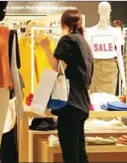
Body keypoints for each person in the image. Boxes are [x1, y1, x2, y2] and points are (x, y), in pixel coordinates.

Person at [40, 10, 93, 163]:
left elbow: (58, 69)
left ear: (63, 24)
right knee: (79, 152)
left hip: (69, 103)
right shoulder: (84, 43)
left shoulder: (67, 40)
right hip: (82, 103)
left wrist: (45, 48)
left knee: (70, 154)